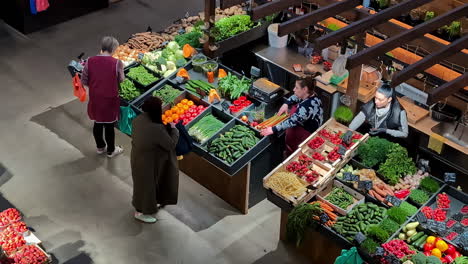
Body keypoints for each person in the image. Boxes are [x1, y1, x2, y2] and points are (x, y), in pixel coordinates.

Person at [130, 97, 179, 223]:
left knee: (144, 185)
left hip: (137, 157)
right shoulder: (156, 128)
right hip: (148, 163)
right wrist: (174, 130)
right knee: (146, 187)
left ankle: (148, 204)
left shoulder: (138, 119)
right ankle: (140, 212)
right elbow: (170, 145)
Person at [81, 36, 125, 158]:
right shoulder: (117, 63)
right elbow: (121, 79)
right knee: (109, 125)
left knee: (98, 122)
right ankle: (111, 150)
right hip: (110, 98)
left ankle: (100, 147)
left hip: (95, 97)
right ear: (114, 49)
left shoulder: (90, 61)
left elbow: (84, 80)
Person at [261, 76, 324, 157]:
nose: (294, 89)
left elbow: (292, 121)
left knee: (296, 156)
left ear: (304, 89)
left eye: (297, 87)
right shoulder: (312, 95)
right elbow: (296, 96)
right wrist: (286, 103)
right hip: (299, 131)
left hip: (303, 137)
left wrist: (273, 129)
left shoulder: (306, 107)